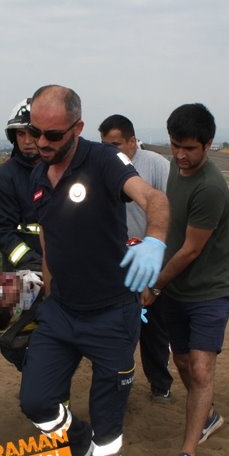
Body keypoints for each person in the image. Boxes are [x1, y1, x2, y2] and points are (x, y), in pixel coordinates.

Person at [18, 85, 169, 456]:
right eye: (34, 132)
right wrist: (47, 277)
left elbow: (154, 199)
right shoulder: (36, 174)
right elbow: (47, 230)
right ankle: (75, 439)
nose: (41, 143)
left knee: (109, 428)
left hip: (110, 316)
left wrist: (155, 242)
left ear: (78, 128)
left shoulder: (103, 161)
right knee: (36, 402)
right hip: (61, 312)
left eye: (52, 135)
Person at [141, 103, 229, 456]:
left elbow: (190, 250)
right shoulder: (175, 174)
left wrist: (156, 284)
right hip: (177, 287)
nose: (181, 155)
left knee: (199, 368)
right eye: (175, 145)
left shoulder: (211, 187)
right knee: (180, 360)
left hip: (211, 289)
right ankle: (209, 414)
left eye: (190, 148)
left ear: (208, 144)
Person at [98, 114, 174, 404]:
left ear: (132, 141)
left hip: (151, 260)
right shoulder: (103, 168)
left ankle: (160, 383)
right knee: (118, 331)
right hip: (116, 263)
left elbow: (170, 213)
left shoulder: (156, 166)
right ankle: (120, 386)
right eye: (105, 144)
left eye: (116, 144)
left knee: (154, 329)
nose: (110, 150)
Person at [0, 98, 43, 272]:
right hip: (24, 273)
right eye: (20, 134)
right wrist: (33, 264)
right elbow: (2, 232)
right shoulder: (2, 179)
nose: (26, 141)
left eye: (32, 133)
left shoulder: (62, 172)